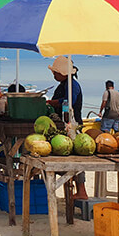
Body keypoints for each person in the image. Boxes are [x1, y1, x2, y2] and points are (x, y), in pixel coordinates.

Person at [46, 56, 88, 199]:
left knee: (76, 157)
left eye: (55, 72)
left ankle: (81, 191)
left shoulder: (72, 85)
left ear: (63, 73)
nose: (53, 75)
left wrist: (52, 103)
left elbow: (68, 102)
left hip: (73, 125)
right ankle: (70, 184)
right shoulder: (63, 85)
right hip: (63, 125)